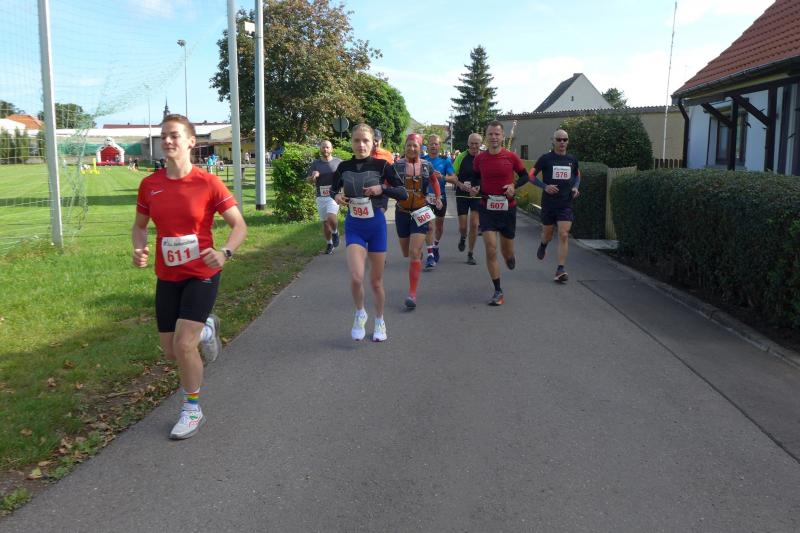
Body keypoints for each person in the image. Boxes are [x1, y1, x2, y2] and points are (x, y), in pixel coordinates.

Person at [132, 114, 247, 440]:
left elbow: (239, 225)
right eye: (164, 136)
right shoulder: (150, 185)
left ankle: (192, 409)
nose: (168, 141)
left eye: (174, 135)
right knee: (171, 351)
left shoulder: (208, 183)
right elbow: (139, 227)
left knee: (184, 345)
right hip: (168, 275)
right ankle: (207, 329)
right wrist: (138, 248)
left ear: (191, 142)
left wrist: (225, 252)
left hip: (202, 272)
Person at [330, 124, 407, 341]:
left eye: (365, 140)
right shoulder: (344, 167)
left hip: (376, 227)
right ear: (351, 142)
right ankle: (360, 313)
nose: (361, 144)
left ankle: (380, 320)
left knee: (375, 282)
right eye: (357, 140)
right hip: (354, 226)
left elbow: (402, 192)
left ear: (374, 142)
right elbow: (332, 189)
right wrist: (336, 196)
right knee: (356, 277)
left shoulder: (383, 166)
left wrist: (382, 188)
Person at [472, 120, 529, 306]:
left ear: (503, 137)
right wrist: (475, 187)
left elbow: (525, 176)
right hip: (487, 207)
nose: (494, 137)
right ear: (486, 137)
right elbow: (476, 178)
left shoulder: (511, 157)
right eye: (490, 134)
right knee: (490, 248)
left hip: (507, 209)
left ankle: (510, 257)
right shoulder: (480, 159)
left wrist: (514, 185)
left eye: (497, 134)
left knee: (507, 252)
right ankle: (498, 290)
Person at [518, 129, 581, 283]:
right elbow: (530, 175)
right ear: (553, 141)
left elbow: (577, 175)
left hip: (565, 203)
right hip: (549, 203)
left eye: (565, 139)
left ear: (568, 141)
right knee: (548, 234)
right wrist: (545, 186)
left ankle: (560, 269)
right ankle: (543, 244)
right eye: (559, 139)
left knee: (564, 234)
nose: (562, 142)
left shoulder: (572, 159)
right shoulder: (546, 159)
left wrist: (575, 187)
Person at [393, 133, 442, 309]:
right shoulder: (396, 166)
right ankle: (417, 255)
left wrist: (438, 197)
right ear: (405, 147)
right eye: (409, 145)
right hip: (402, 212)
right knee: (406, 252)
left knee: (414, 252)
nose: (412, 148)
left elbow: (434, 181)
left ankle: (412, 294)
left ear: (420, 148)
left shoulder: (427, 165)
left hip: (421, 210)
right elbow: (386, 184)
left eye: (415, 146)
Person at [422, 134, 458, 270]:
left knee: (439, 227)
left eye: (436, 144)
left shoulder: (445, 161)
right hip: (425, 198)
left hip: (440, 198)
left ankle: (435, 245)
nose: (433, 146)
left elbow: (454, 179)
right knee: (429, 226)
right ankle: (430, 255)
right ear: (427, 145)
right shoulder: (422, 160)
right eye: (431, 143)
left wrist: (442, 177)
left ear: (439, 146)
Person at [306, 140, 342, 254]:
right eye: (323, 147)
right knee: (326, 223)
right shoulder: (316, 164)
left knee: (331, 217)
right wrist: (313, 177)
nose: (325, 149)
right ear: (320, 149)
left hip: (334, 195)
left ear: (331, 149)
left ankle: (335, 232)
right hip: (321, 196)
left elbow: (345, 177)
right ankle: (329, 243)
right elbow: (308, 180)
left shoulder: (338, 162)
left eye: (327, 147)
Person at [452, 133, 483, 265]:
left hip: (478, 195)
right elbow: (453, 175)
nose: (474, 146)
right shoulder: (461, 157)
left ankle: (470, 253)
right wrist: (460, 185)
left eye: (477, 143)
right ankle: (463, 237)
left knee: (474, 225)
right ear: (468, 144)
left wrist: (479, 187)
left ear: (480, 144)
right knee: (463, 226)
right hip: (462, 194)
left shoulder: (484, 157)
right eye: (472, 143)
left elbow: (489, 176)